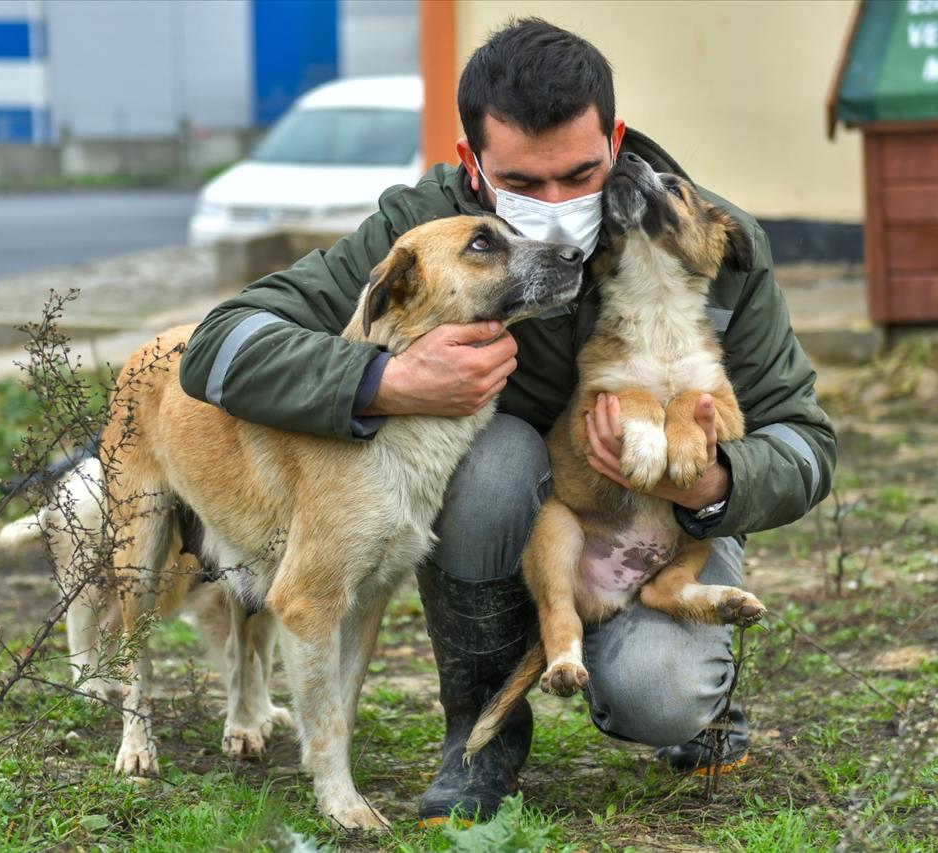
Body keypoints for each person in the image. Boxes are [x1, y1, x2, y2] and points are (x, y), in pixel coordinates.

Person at [178, 18, 836, 826]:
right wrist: (386, 377)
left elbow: (807, 443)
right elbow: (219, 346)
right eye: (525, 182)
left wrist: (716, 481)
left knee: (661, 697)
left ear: (616, 138)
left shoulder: (708, 239)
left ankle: (697, 690)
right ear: (472, 164)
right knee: (489, 458)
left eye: (581, 174)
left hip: (662, 525)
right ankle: (479, 738)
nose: (557, 207)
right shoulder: (422, 231)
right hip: (523, 507)